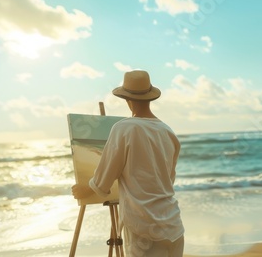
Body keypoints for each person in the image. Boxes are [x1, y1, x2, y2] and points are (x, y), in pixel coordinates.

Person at [72, 70, 184, 257]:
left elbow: (104, 178)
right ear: (149, 97)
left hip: (144, 230)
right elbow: (168, 179)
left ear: (126, 99)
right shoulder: (168, 132)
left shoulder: (123, 128)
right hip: (173, 227)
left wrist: (86, 190)